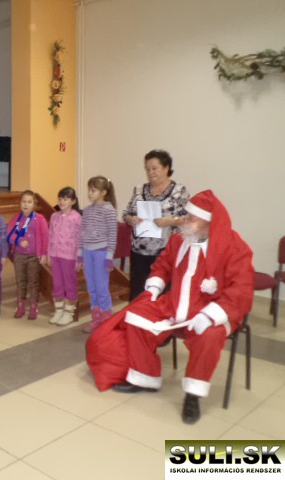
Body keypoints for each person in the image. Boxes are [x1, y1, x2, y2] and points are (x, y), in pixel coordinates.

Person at [86, 190, 254, 424]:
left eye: (192, 217)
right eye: (187, 215)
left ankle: (193, 395)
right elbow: (162, 265)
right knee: (136, 315)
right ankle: (145, 377)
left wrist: (212, 315)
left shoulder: (233, 247)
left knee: (208, 336)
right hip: (175, 303)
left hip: (213, 308)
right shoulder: (178, 240)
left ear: (209, 222)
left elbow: (242, 290)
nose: (186, 220)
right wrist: (154, 288)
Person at [123, 149, 190, 300]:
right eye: (147, 169)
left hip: (165, 252)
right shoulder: (139, 189)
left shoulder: (179, 190)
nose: (150, 172)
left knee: (161, 293)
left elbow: (187, 219)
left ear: (166, 168)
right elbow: (126, 213)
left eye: (154, 168)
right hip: (139, 251)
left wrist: (170, 221)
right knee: (137, 292)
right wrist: (131, 219)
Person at [78, 176, 118, 334]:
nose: (89, 193)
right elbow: (82, 233)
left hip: (101, 254)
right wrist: (80, 255)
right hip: (88, 253)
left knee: (101, 288)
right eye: (89, 190)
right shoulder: (87, 210)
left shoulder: (109, 210)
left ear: (103, 192)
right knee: (91, 288)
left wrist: (109, 258)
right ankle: (96, 318)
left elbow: (112, 235)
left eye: (93, 190)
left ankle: (106, 320)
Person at [7, 190, 49, 320]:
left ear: (34, 204)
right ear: (20, 203)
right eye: (24, 201)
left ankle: (33, 307)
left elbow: (45, 237)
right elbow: (9, 234)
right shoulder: (16, 218)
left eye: (29, 202)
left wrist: (44, 254)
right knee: (20, 281)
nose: (26, 204)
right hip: (19, 255)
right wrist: (19, 240)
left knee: (33, 282)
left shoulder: (40, 219)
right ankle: (20, 306)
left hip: (34, 257)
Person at [47, 186, 82, 326]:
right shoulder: (54, 216)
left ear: (73, 201)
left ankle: (68, 313)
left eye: (66, 199)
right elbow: (50, 235)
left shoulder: (77, 218)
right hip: (55, 256)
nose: (62, 201)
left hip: (69, 257)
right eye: (60, 199)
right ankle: (59, 311)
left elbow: (80, 239)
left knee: (69, 284)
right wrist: (49, 254)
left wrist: (79, 258)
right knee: (57, 284)